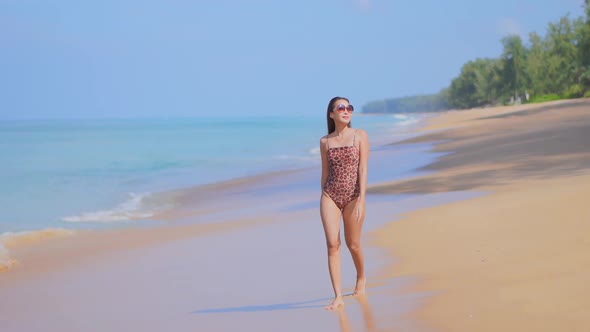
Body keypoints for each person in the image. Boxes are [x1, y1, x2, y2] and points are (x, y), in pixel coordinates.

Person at [319, 96, 370, 311]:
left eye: (349, 108)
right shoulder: (325, 141)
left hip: (354, 196)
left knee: (353, 244)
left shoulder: (359, 135)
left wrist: (361, 200)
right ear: (331, 114)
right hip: (330, 195)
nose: (346, 111)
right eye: (341, 108)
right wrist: (324, 194)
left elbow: (363, 169)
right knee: (333, 245)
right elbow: (325, 172)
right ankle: (338, 295)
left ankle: (361, 277)